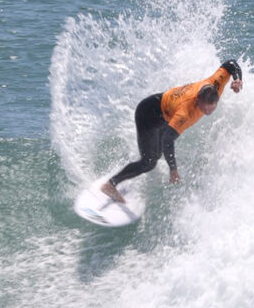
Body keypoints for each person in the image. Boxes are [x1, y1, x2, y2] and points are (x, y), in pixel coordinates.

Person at [100, 59, 244, 203]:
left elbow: (231, 64)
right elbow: (167, 140)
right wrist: (173, 169)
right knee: (149, 162)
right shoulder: (185, 112)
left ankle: (138, 161)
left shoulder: (215, 84)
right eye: (204, 108)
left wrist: (238, 79)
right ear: (197, 100)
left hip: (165, 111)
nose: (208, 111)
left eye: (211, 107)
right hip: (148, 115)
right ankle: (110, 184)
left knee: (156, 154)